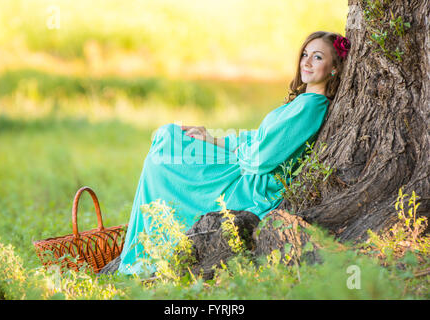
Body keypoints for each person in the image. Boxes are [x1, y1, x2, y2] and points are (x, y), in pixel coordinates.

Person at [118, 31, 351, 275]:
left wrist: (233, 150)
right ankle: (142, 246)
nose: (306, 62)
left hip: (251, 184)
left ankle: (143, 254)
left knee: (164, 158)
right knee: (170, 137)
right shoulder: (302, 101)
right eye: (305, 54)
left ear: (334, 68)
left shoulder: (311, 106)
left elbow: (261, 159)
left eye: (317, 57)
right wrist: (213, 140)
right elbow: (259, 139)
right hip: (246, 164)